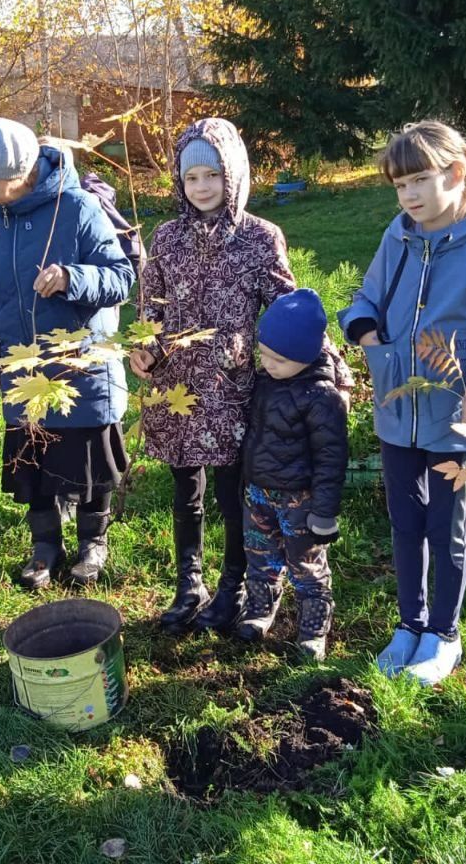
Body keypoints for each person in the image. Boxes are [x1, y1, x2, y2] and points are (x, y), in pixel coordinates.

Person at [131, 117, 353, 635]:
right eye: (191, 178)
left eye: (212, 174)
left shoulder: (259, 238)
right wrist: (143, 349)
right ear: (179, 183)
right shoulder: (164, 240)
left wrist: (332, 370)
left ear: (232, 175)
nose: (202, 186)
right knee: (186, 489)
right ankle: (190, 582)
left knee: (233, 493)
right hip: (175, 385)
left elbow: (289, 309)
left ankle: (233, 584)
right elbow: (150, 313)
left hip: (230, 388)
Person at [339, 120, 466, 685]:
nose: (410, 196)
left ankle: (444, 634)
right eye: (400, 185)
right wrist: (369, 337)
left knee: (447, 530)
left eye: (419, 180)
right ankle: (410, 624)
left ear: (455, 173)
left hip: (454, 422)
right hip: (398, 414)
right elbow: (365, 298)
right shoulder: (396, 238)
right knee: (405, 523)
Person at [0, 118, 135, 588]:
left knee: (88, 458)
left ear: (24, 170)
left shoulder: (76, 208)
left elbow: (121, 277)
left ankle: (91, 543)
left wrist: (70, 278)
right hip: (21, 359)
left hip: (80, 357)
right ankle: (45, 545)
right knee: (32, 457)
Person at [235, 289, 349, 659]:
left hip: (300, 499)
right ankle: (259, 611)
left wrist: (325, 512)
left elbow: (332, 458)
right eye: (263, 354)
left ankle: (313, 629)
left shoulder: (321, 398)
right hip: (259, 493)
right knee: (260, 555)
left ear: (306, 354)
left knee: (306, 564)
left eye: (278, 359)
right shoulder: (267, 382)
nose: (267, 364)